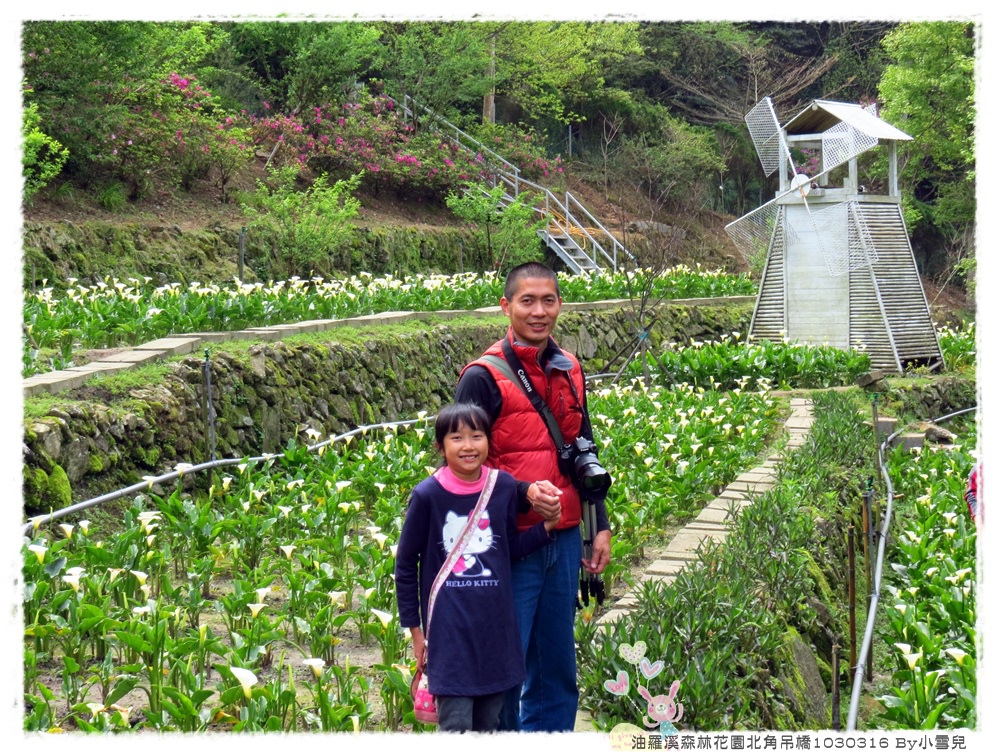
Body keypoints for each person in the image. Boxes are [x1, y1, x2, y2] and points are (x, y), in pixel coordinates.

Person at [455, 262, 612, 732]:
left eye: (548, 301)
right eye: (527, 301)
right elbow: (461, 470)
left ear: (560, 304)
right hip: (508, 546)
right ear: (506, 306)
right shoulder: (482, 377)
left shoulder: (568, 368)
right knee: (503, 674)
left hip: (562, 542)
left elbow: (584, 450)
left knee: (556, 673)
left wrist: (598, 524)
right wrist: (522, 494)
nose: (539, 311)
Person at [395, 402, 561, 733]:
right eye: (456, 437)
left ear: (489, 441)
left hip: (494, 629)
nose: (468, 446)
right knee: (455, 724)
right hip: (448, 631)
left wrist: (547, 528)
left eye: (477, 435)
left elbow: (507, 548)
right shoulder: (428, 495)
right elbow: (405, 565)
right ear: (440, 446)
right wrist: (415, 630)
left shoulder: (501, 487)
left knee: (489, 723)